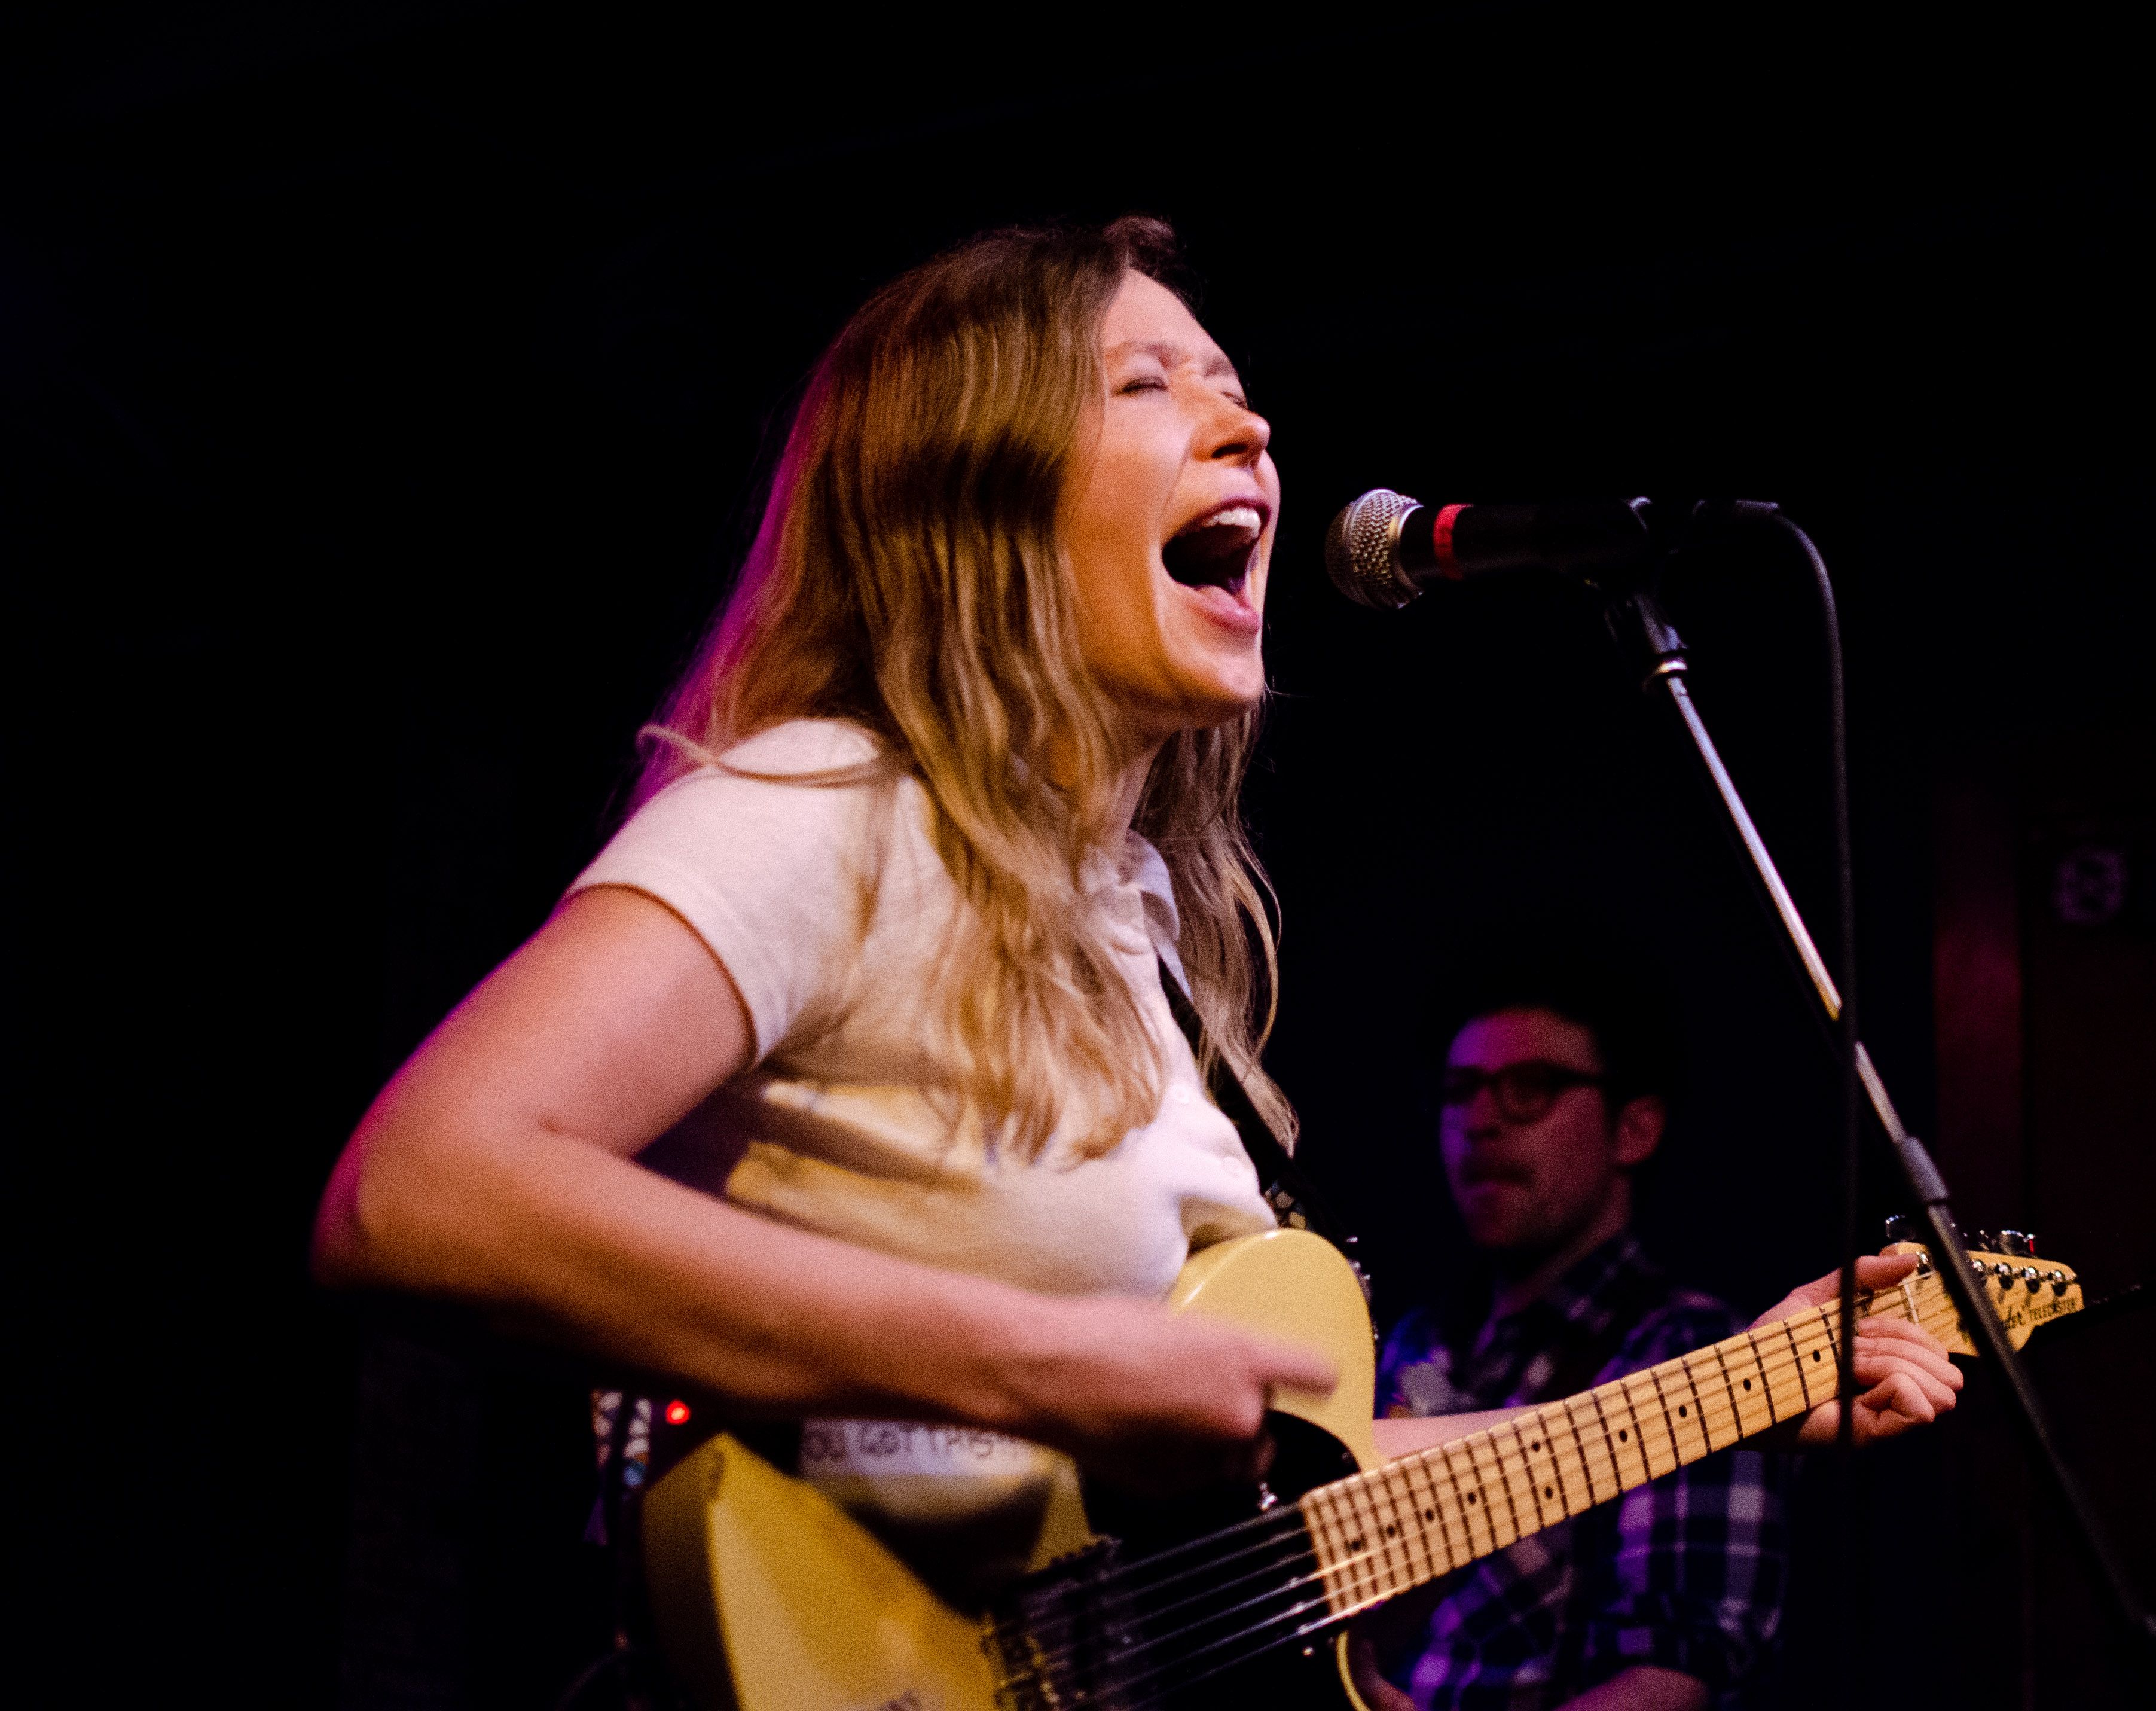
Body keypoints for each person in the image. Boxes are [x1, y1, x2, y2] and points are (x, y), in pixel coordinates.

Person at [309, 217, 1960, 1688]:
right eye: (1148, 387)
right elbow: (426, 1190)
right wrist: (1058, 1359)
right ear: (974, 480)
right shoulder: (836, 804)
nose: (1248, 424)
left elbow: (1263, 1512)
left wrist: (1730, 1391)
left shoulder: (1126, 929)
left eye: (1233, 383)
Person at [1356, 966, 1793, 1711]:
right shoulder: (1416, 1337)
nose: (1480, 1120)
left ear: (1635, 1127)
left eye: (1527, 1088)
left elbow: (1670, 1677)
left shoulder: (1690, 1349)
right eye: (1460, 1090)